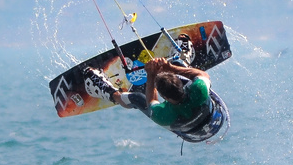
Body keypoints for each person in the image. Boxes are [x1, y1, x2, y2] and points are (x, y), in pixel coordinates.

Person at [85, 55, 228, 143]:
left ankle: (107, 91)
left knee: (137, 99)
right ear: (182, 85)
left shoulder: (162, 114)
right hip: (213, 119)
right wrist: (171, 68)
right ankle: (181, 60)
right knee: (183, 68)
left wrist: (151, 75)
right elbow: (202, 74)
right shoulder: (198, 90)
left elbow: (150, 101)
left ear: (164, 98)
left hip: (192, 133)